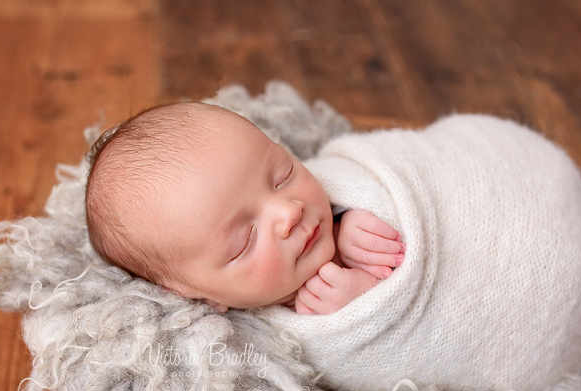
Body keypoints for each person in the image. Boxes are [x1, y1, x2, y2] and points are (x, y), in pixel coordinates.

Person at [85, 102, 406, 315]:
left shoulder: (342, 205)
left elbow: (372, 173)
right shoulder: (250, 348)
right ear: (199, 295)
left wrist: (345, 215)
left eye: (283, 175)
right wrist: (367, 303)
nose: (289, 213)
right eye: (245, 241)